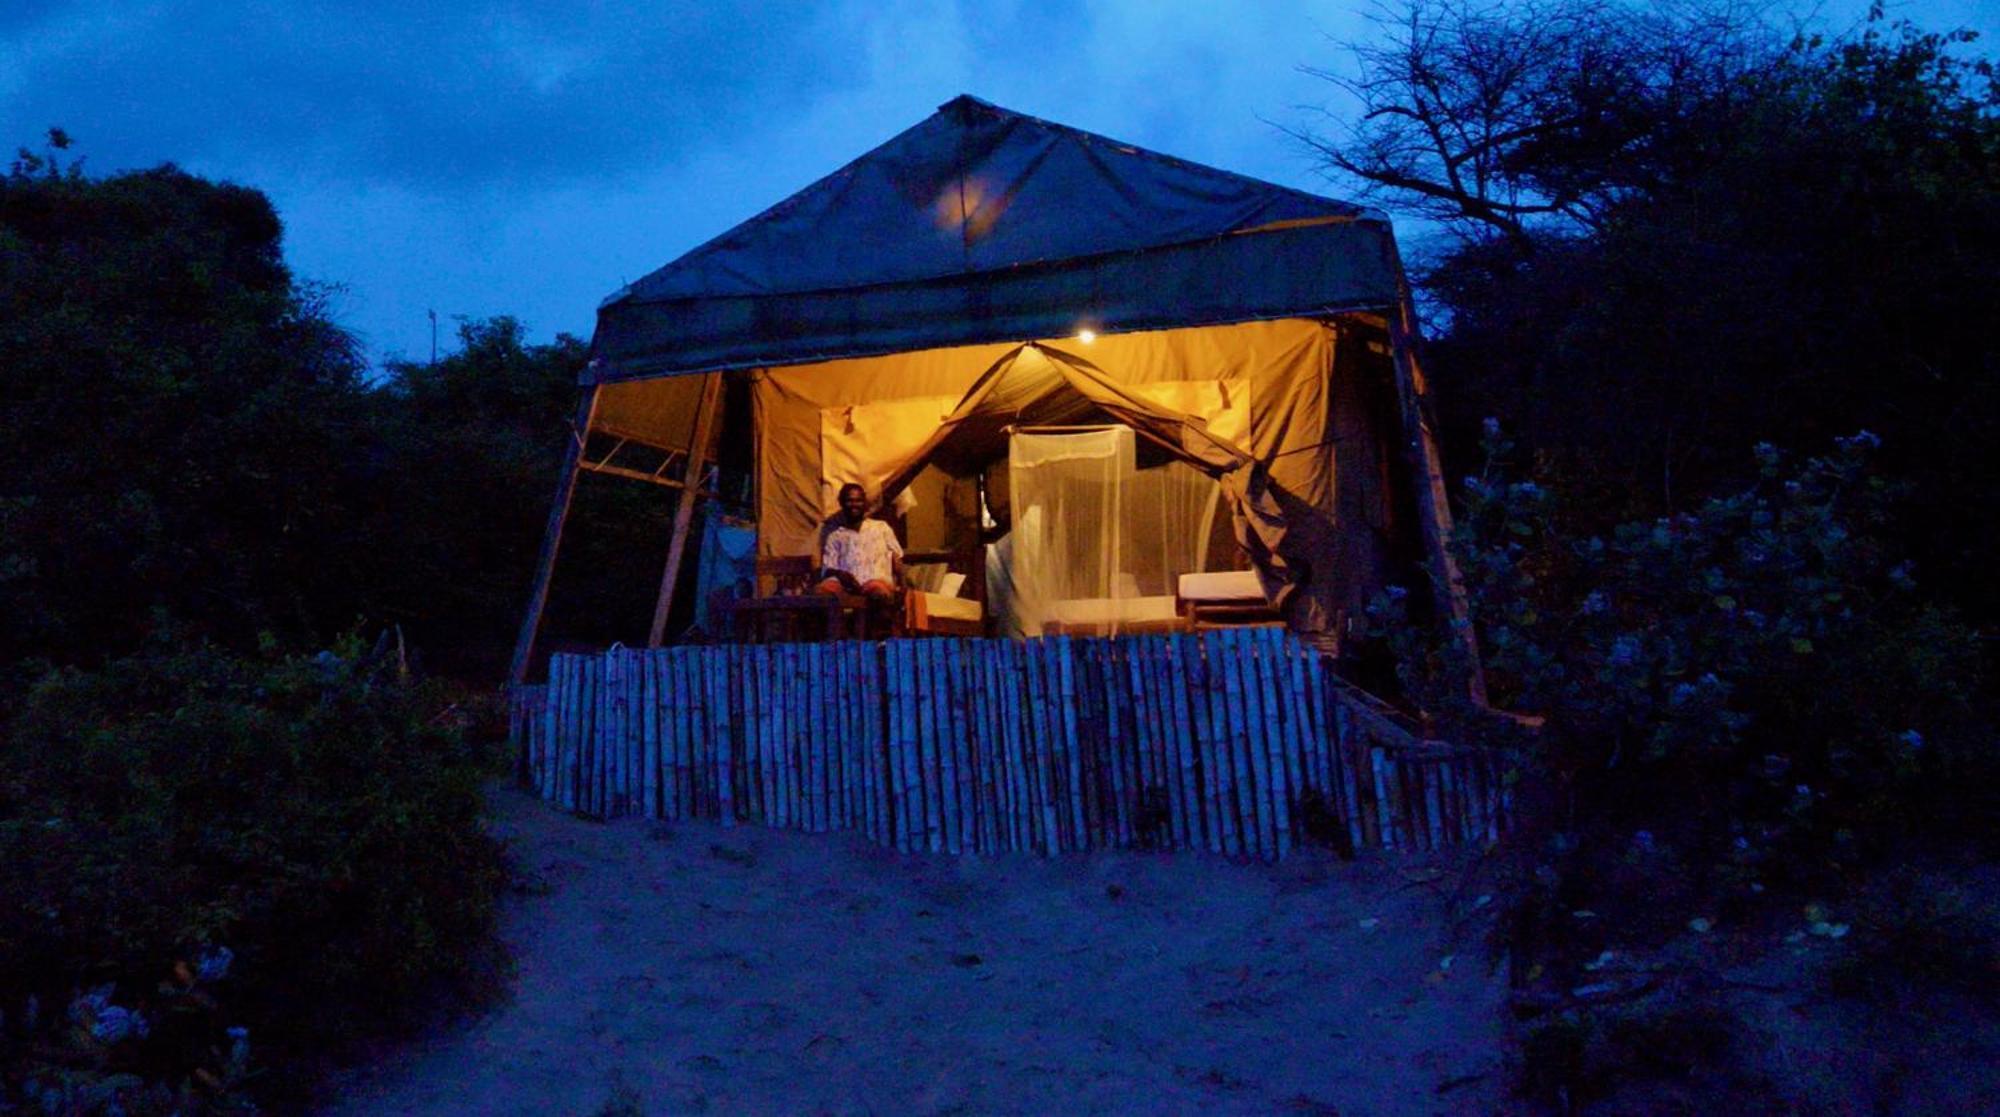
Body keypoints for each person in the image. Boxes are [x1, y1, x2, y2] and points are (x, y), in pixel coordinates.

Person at [816, 482, 903, 604]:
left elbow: (897, 559)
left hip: (875, 581)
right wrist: (842, 576)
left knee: (877, 594)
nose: (854, 505)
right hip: (844, 584)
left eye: (858, 501)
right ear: (841, 503)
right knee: (823, 592)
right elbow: (828, 568)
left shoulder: (881, 528)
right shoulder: (835, 534)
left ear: (865, 503)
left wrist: (902, 586)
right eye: (849, 500)